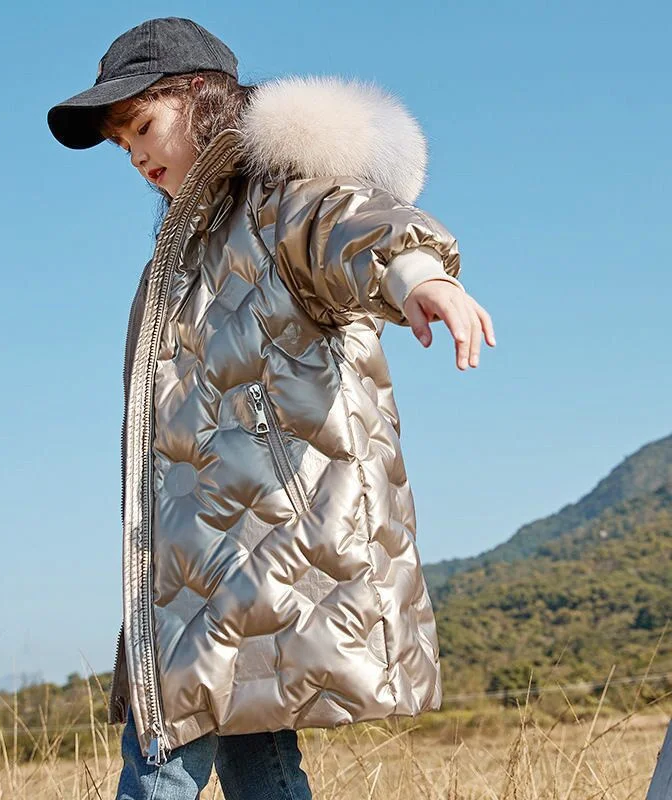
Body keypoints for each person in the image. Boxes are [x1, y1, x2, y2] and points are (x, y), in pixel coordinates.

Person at [47, 16, 495, 800]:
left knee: (159, 756)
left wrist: (419, 276)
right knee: (255, 761)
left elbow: (349, 225)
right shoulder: (181, 256)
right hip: (200, 565)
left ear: (201, 95)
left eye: (143, 126)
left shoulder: (276, 199)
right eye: (123, 147)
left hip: (262, 550)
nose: (138, 157)